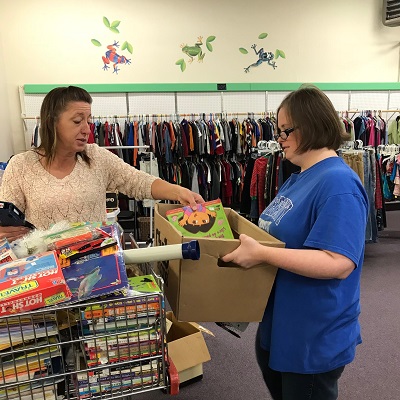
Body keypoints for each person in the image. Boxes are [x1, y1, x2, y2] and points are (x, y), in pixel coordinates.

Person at [222, 86, 368, 400]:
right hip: (282, 325)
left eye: (285, 130)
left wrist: (261, 253)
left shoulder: (338, 184)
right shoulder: (298, 176)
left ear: (311, 125)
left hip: (312, 336)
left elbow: (338, 262)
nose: (280, 138)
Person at [0, 86, 204, 241]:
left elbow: (138, 182)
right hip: (46, 274)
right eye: (77, 121)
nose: (87, 129)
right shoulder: (21, 166)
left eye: (88, 120)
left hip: (98, 267)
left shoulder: (97, 158)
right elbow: (7, 219)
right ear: (51, 122)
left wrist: (178, 192)